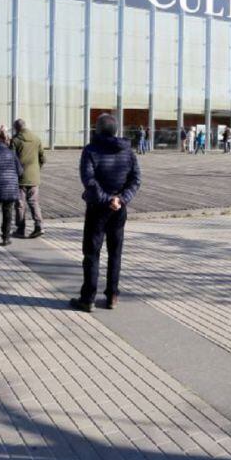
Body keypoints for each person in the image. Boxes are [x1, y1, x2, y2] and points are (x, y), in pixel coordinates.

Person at [70, 114, 142, 313]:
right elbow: (136, 179)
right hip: (119, 209)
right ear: (116, 130)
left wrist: (106, 199)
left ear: (98, 130)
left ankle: (88, 298)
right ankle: (112, 295)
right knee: (115, 253)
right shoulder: (128, 152)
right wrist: (121, 199)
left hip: (98, 209)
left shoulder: (91, 150)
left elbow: (89, 180)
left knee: (92, 253)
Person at [11, 118, 45, 239]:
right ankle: (39, 226)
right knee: (34, 202)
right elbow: (42, 158)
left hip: (20, 177)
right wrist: (36, 169)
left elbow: (12, 160)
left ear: (16, 128)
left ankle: (20, 229)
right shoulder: (36, 138)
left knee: (20, 204)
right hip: (34, 177)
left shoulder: (15, 140)